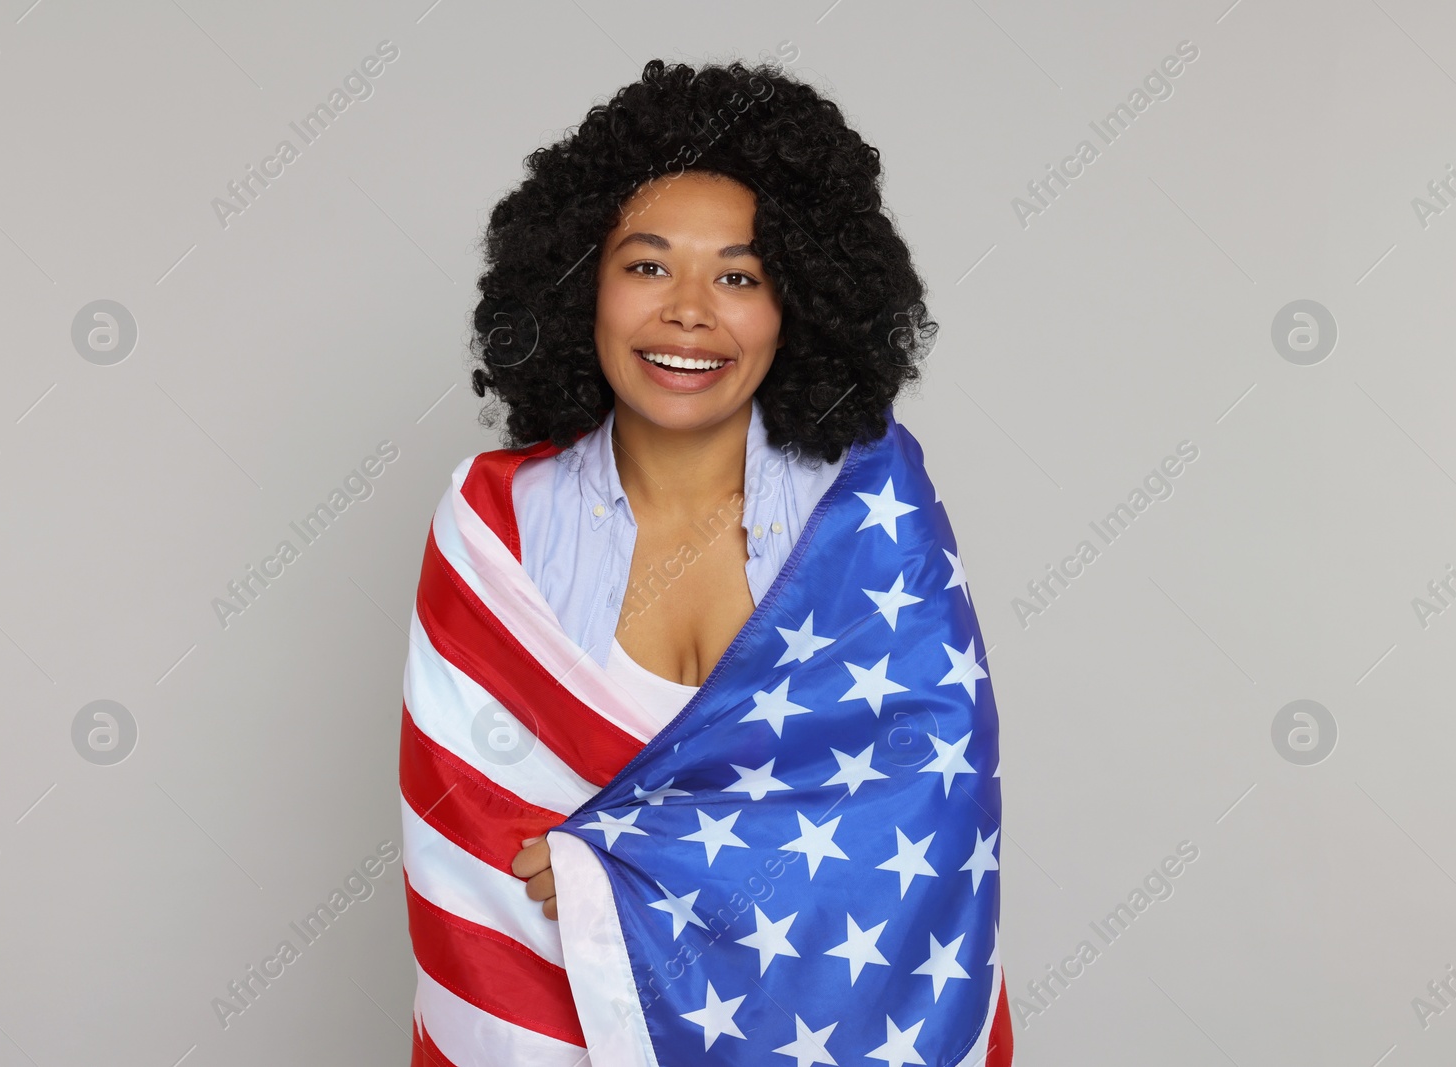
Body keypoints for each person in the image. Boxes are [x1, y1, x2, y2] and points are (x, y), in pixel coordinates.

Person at [400, 58, 1010, 1066]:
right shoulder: (493, 523)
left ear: (797, 305)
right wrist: (627, 875)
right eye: (647, 265)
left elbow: (926, 813)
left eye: (739, 275)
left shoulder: (868, 511)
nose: (689, 310)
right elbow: (472, 843)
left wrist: (618, 868)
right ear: (578, 284)